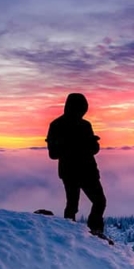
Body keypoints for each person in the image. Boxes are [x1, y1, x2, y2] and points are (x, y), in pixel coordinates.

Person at [46, 93, 107, 236]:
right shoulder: (57, 125)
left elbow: (93, 150)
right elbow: (53, 154)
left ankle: (92, 232)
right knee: (75, 205)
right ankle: (79, 233)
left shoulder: (84, 125)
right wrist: (79, 145)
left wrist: (92, 144)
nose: (83, 112)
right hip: (74, 172)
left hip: (83, 171)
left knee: (96, 202)